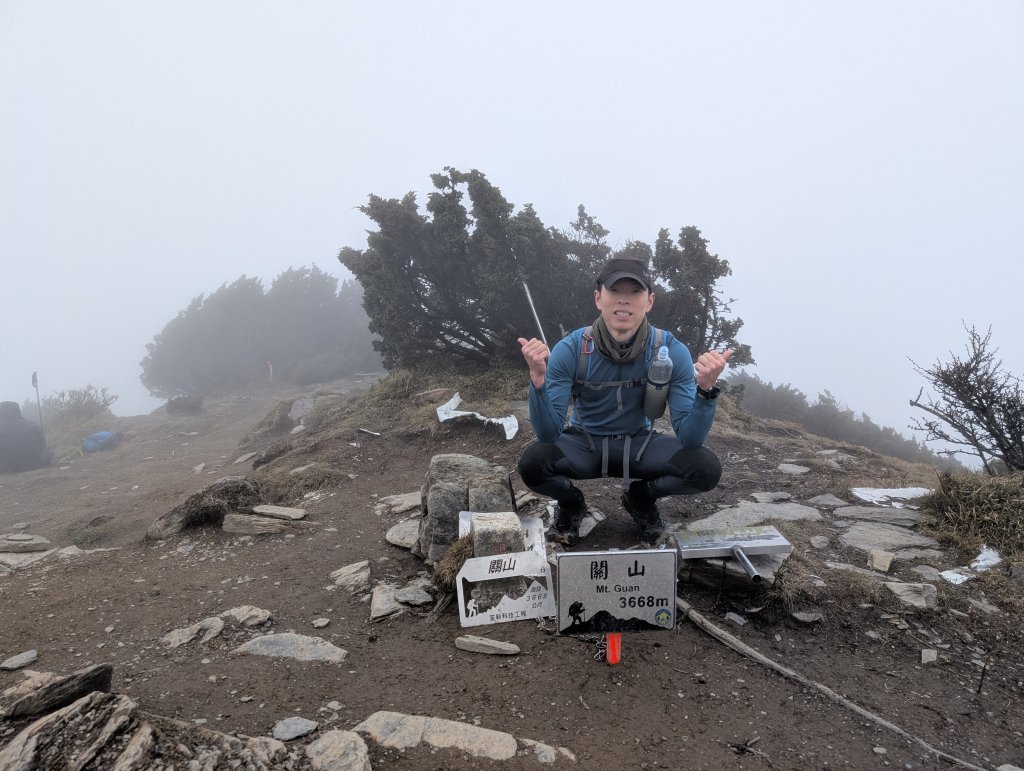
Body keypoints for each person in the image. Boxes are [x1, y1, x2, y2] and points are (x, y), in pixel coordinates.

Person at [516, 257, 732, 545]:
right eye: (615, 291)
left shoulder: (671, 351)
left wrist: (705, 390)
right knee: (532, 463)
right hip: (583, 444)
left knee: (705, 468)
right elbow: (547, 433)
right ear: (598, 298)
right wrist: (538, 382)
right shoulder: (572, 349)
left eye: (635, 292)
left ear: (650, 300)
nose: (624, 300)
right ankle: (570, 503)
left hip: (640, 445)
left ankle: (640, 499)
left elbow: (690, 439)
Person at [0, 401, 53, 472]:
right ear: (18, 411)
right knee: (48, 452)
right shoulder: (33, 425)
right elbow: (42, 445)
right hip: (36, 463)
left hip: (6, 467)